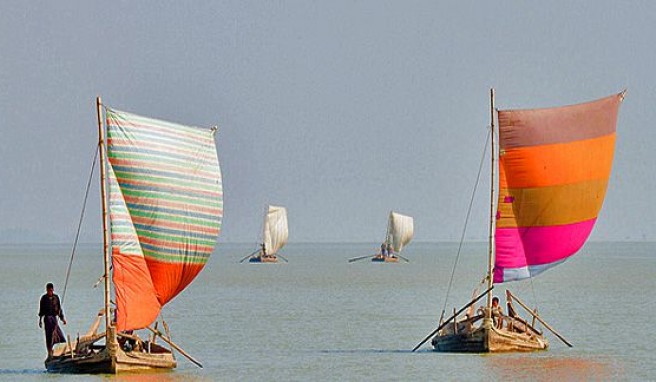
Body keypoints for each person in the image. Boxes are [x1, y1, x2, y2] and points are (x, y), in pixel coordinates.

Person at [38, 283, 66, 358]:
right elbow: (41, 310)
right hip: (47, 319)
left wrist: (62, 319)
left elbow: (59, 309)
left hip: (54, 318)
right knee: (49, 336)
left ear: (53, 290)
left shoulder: (56, 298)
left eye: (51, 290)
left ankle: (62, 350)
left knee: (59, 334)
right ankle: (50, 353)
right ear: (46, 290)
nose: (49, 291)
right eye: (48, 290)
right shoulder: (44, 298)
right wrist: (40, 321)